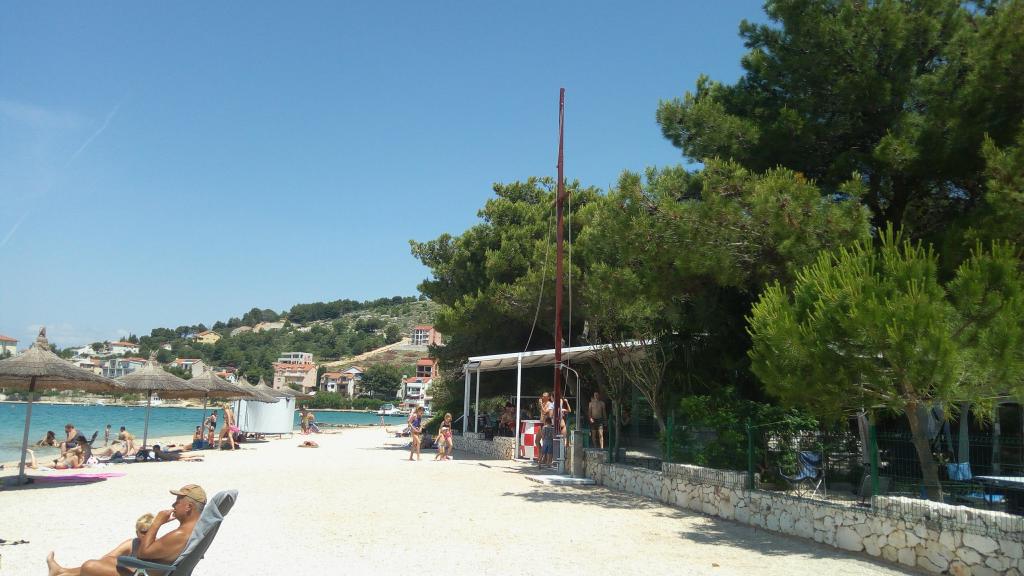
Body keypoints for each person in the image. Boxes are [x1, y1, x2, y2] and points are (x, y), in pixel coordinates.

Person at [46, 484, 206, 576]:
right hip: (153, 569)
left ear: (188, 507)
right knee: (108, 561)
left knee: (90, 566)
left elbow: (143, 553)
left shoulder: (181, 534)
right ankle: (61, 571)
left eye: (177, 501)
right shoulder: (195, 530)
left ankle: (61, 572)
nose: (173, 505)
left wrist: (157, 523)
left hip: (144, 573)